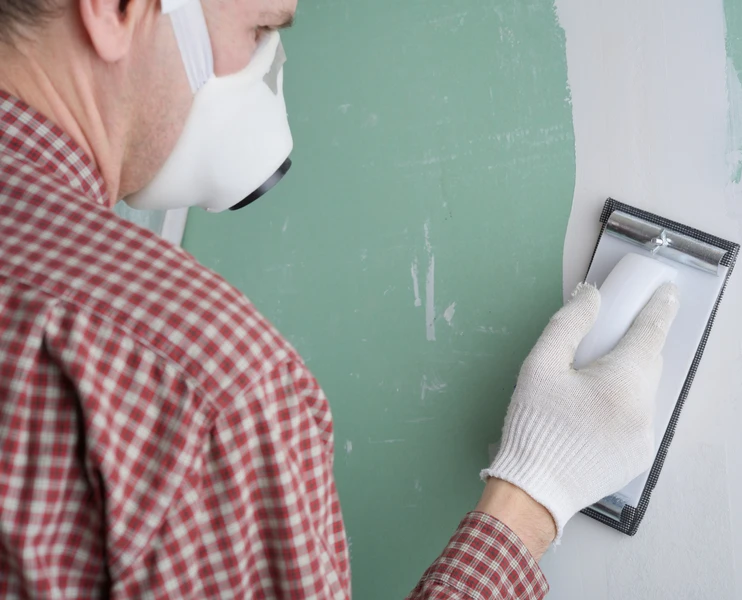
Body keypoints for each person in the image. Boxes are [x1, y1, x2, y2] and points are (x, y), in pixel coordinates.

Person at [0, 0, 679, 597]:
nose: (268, 68)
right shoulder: (200, 385)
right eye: (259, 27)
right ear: (115, 8)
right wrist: (535, 493)